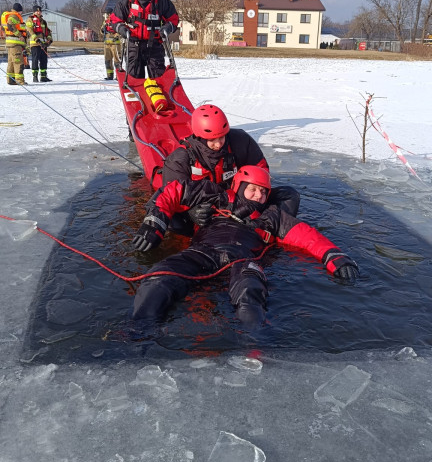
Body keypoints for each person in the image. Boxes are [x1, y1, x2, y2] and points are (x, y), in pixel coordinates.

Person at [131, 166, 359, 330]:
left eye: (263, 192)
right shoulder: (217, 197)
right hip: (203, 251)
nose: (258, 196)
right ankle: (139, 331)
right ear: (239, 187)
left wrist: (334, 256)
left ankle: (252, 346)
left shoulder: (273, 216)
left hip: (244, 260)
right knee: (160, 275)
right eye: (252, 189)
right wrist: (155, 222)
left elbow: (307, 236)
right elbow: (175, 190)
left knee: (250, 292)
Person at [154, 103, 300, 232]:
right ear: (199, 137)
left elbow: (261, 172)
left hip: (239, 201)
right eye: (212, 140)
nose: (218, 144)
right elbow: (171, 194)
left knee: (289, 195)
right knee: (174, 222)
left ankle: (269, 229)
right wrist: (190, 212)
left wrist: (246, 200)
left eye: (222, 137)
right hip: (205, 207)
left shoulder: (241, 142)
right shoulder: (180, 158)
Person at [110, 0, 179, 79]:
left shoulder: (161, 1)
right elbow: (114, 20)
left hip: (154, 45)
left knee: (158, 79)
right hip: (134, 45)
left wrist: (167, 27)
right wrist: (121, 28)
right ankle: (137, 95)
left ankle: (160, 95)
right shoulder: (126, 1)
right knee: (135, 78)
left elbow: (174, 19)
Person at [1, 2, 28, 85]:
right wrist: (20, 35)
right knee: (18, 62)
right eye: (21, 11)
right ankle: (19, 80)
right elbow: (10, 26)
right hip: (15, 43)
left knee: (11, 62)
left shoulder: (11, 15)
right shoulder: (14, 16)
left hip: (11, 43)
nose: (22, 13)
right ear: (18, 10)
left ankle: (11, 80)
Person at [25, 5, 53, 82]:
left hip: (43, 44)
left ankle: (43, 76)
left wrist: (49, 40)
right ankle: (35, 76)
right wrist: (36, 39)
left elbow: (48, 32)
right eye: (37, 11)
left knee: (44, 60)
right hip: (35, 44)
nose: (38, 12)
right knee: (35, 60)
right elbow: (30, 30)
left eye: (39, 11)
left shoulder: (43, 22)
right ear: (34, 12)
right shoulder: (30, 20)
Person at [100, 7, 121, 80]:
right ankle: (109, 75)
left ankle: (118, 76)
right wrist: (103, 30)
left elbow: (119, 31)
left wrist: (117, 36)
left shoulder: (115, 21)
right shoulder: (105, 22)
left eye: (107, 14)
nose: (106, 15)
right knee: (107, 60)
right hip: (107, 45)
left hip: (115, 44)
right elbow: (102, 31)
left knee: (117, 60)